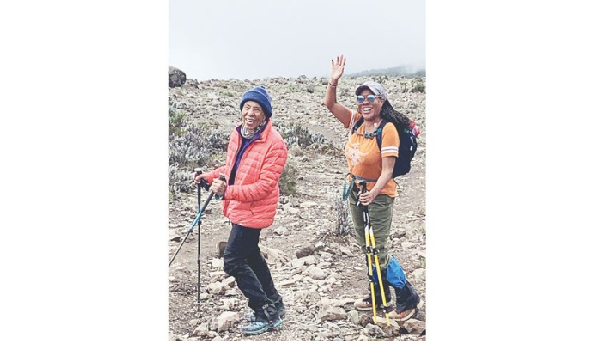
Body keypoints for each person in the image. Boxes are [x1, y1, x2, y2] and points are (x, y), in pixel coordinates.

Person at [324, 55, 422, 322]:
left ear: (381, 101)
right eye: (361, 98)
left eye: (371, 98)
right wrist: (334, 81)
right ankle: (378, 295)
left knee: (377, 249)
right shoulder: (356, 121)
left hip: (378, 196)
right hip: (356, 191)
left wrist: (373, 193)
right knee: (365, 247)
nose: (364, 103)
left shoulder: (387, 129)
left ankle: (407, 295)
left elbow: (387, 172)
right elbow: (330, 104)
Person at [194, 85, 287, 335]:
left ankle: (264, 312)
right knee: (251, 255)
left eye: (257, 109)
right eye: (247, 107)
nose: (250, 113)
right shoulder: (239, 134)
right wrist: (209, 177)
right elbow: (232, 170)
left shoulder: (275, 144)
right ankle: (275, 303)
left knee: (233, 260)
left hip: (255, 210)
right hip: (240, 207)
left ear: (265, 115)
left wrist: (227, 192)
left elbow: (265, 187)